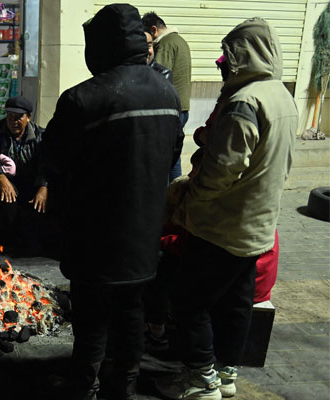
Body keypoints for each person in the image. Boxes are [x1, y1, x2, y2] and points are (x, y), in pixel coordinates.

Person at [39, 4, 182, 399]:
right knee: (130, 312)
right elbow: (171, 156)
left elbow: (52, 158)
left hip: (94, 238)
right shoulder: (167, 93)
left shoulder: (84, 99)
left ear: (99, 45)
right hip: (143, 237)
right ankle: (123, 386)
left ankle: (84, 386)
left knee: (91, 318)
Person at [156, 18, 297, 400]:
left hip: (221, 226)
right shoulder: (281, 96)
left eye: (227, 60)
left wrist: (190, 200)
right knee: (236, 304)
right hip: (257, 226)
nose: (222, 67)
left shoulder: (244, 102)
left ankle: (201, 381)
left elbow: (220, 171)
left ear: (243, 56)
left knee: (190, 302)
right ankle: (226, 374)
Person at [0, 96, 48, 251]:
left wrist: (43, 187)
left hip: (31, 182)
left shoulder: (40, 136)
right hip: (8, 180)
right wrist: (1, 178)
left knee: (39, 204)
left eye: (19, 117)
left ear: (29, 117)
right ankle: (7, 240)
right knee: (6, 196)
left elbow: (46, 165)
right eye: (10, 117)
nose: (13, 122)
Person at [142, 11, 191, 182]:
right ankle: (174, 190)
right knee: (173, 154)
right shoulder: (180, 40)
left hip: (170, 107)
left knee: (167, 156)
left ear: (154, 30)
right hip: (182, 105)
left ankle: (170, 192)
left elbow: (156, 75)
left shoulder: (165, 44)